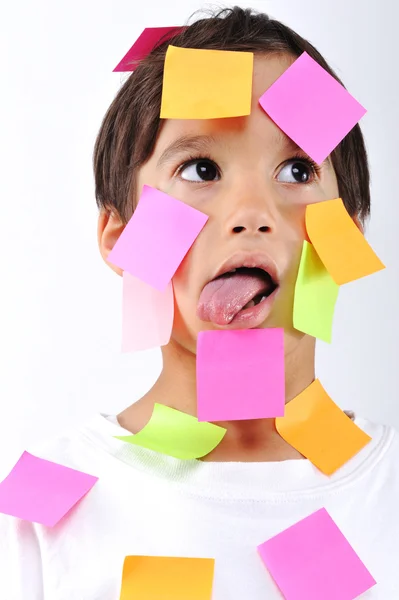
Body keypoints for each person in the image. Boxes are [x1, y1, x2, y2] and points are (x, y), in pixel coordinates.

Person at [1, 6, 398, 599]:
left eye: (296, 169)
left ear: (351, 234)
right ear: (121, 238)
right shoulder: (38, 517)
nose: (252, 215)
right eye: (201, 167)